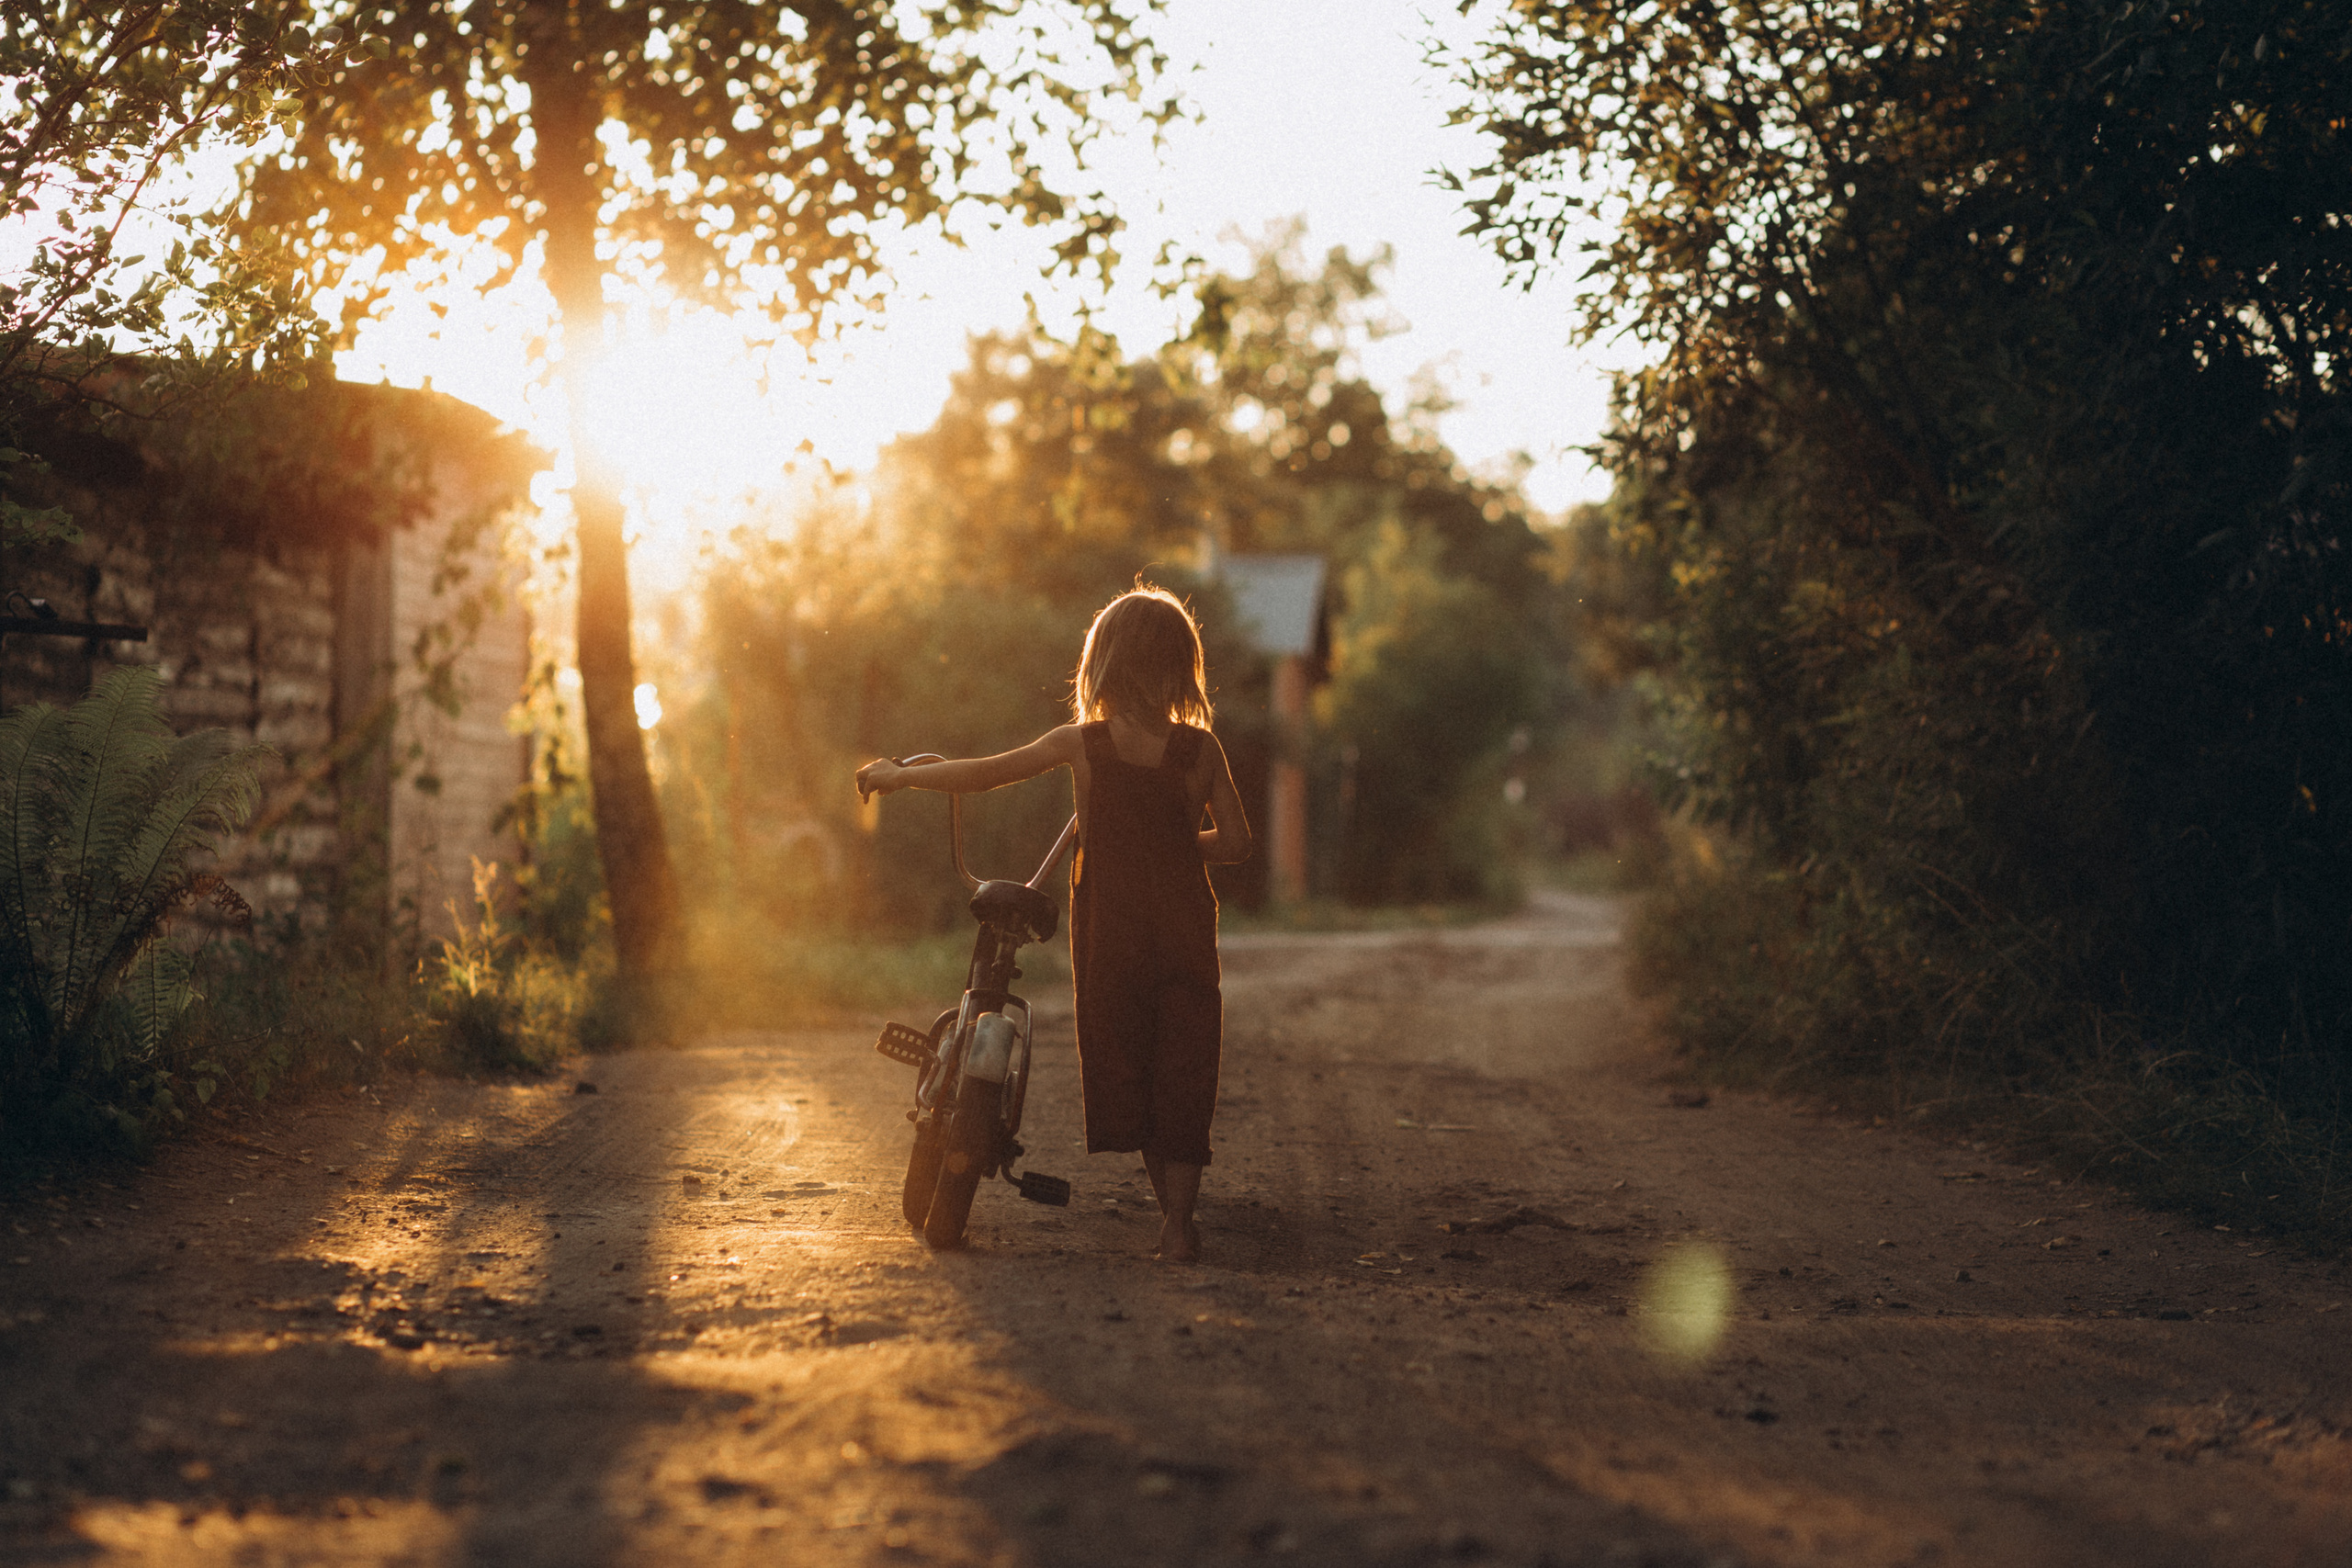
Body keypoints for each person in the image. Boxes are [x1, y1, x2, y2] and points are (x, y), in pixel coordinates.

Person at [855, 585, 1252, 1262]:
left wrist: (902, 776)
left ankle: (1170, 1214)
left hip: (1113, 937)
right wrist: (1180, 846)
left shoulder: (1084, 744)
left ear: (1101, 665)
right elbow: (1237, 842)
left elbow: (985, 774)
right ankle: (1178, 1225)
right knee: (1183, 1070)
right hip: (1184, 935)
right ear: (1179, 667)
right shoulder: (1201, 751)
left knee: (1128, 1062)